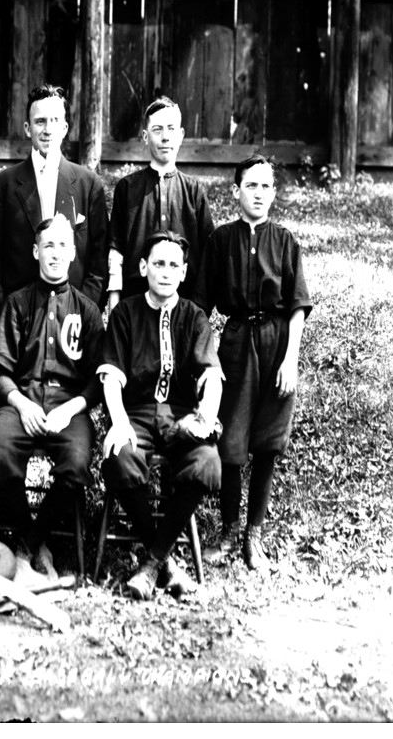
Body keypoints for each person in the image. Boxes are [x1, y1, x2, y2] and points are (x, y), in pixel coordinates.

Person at [193, 155, 312, 571]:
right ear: (236, 191)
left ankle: (253, 536)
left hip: (278, 342)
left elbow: (297, 306)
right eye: (251, 186)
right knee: (231, 441)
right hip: (237, 342)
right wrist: (206, 361)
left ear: (274, 193)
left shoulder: (285, 241)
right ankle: (228, 529)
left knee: (268, 442)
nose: (259, 194)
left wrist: (291, 359)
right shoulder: (220, 241)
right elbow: (200, 307)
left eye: (266, 186)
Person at [98, 231, 223, 600]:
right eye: (158, 264)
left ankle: (151, 563)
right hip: (135, 414)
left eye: (173, 265)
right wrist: (119, 422)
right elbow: (111, 378)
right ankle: (164, 563)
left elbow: (211, 377)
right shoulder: (125, 313)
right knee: (120, 459)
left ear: (184, 272)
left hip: (181, 418)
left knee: (207, 464)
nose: (165, 272)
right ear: (143, 267)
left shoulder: (194, 317)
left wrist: (205, 417)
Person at [0, 214, 104, 575]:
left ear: (73, 251)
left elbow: (98, 379)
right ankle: (32, 540)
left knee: (77, 462)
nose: (55, 253)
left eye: (63, 244)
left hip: (68, 408)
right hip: (21, 404)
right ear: (36, 251)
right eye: (48, 245)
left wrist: (72, 408)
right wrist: (20, 403)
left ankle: (30, 542)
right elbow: (0, 374)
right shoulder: (17, 304)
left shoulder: (88, 310)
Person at [0, 84, 108, 314]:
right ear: (28, 128)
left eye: (55, 121)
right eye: (40, 121)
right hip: (19, 316)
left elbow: (99, 260)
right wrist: (5, 314)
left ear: (65, 127)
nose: (48, 129)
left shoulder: (89, 185)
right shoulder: (4, 184)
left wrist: (84, 311)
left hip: (74, 315)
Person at [106, 96, 214, 312]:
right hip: (134, 305)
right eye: (157, 129)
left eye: (171, 129)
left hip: (184, 305)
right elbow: (115, 252)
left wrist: (199, 310)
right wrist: (115, 308)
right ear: (146, 136)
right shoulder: (127, 188)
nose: (165, 137)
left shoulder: (194, 191)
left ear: (181, 135)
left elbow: (208, 257)